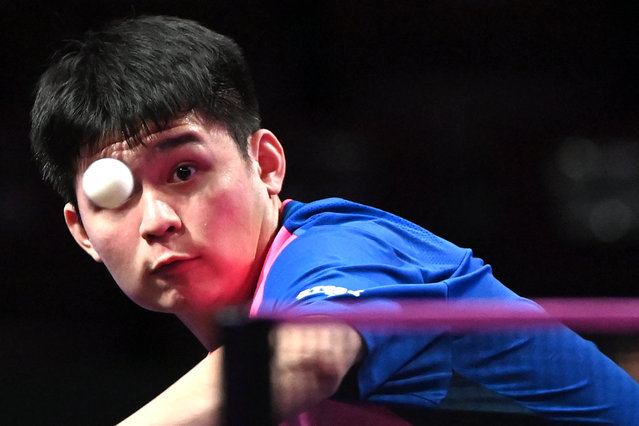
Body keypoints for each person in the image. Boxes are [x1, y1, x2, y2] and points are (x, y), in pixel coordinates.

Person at [30, 15, 639, 425]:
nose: (156, 219)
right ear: (82, 230)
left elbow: (303, 356)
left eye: (184, 171)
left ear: (265, 164)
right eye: (115, 195)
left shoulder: (343, 254)